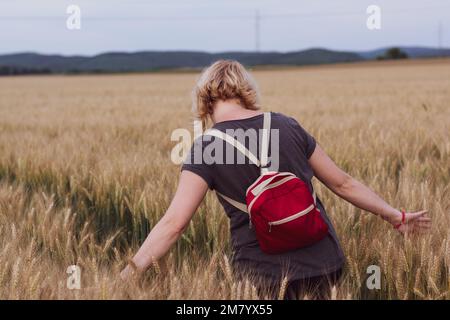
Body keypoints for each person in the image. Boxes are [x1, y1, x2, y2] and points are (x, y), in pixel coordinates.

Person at [120, 60, 430, 299]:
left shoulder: (206, 147)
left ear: (204, 100)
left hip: (262, 277)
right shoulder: (286, 125)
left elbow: (175, 224)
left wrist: (128, 275)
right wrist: (395, 216)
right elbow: (343, 184)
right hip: (324, 265)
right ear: (245, 92)